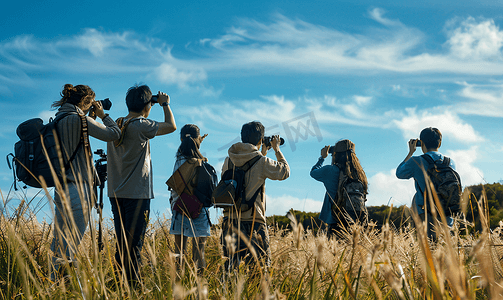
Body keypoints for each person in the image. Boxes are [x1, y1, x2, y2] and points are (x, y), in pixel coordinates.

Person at [107, 84, 176, 284]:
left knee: (122, 243)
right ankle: (133, 288)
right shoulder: (141, 125)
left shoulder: (116, 124)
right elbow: (171, 126)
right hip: (137, 194)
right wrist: (165, 105)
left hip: (116, 192)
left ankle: (120, 284)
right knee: (135, 245)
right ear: (147, 105)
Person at [50, 84, 120, 279]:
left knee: (59, 242)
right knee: (71, 245)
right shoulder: (80, 119)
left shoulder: (57, 119)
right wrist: (103, 115)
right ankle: (64, 286)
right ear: (86, 102)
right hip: (79, 188)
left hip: (60, 188)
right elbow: (115, 134)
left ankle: (51, 284)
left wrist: (90, 116)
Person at [220, 121, 290, 271]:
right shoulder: (262, 162)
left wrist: (261, 152)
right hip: (254, 223)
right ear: (260, 139)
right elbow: (284, 172)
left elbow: (246, 172)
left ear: (242, 137)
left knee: (230, 270)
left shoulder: (228, 161)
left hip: (230, 221)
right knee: (259, 271)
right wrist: (276, 149)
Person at [396, 127, 456, 240]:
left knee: (428, 249)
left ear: (421, 143)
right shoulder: (450, 162)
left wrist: (410, 152)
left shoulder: (416, 161)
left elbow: (399, 173)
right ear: (440, 143)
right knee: (445, 249)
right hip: (447, 213)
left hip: (426, 213)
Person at [169, 124, 212, 276]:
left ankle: (178, 287)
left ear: (181, 139)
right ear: (198, 139)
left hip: (180, 209)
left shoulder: (178, 161)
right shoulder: (202, 162)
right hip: (200, 211)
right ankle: (199, 287)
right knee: (199, 254)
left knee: (178, 255)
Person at [310, 139, 368, 239]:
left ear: (336, 155)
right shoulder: (360, 174)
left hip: (336, 220)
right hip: (358, 222)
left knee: (336, 252)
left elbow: (313, 172)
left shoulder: (331, 171)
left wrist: (322, 158)